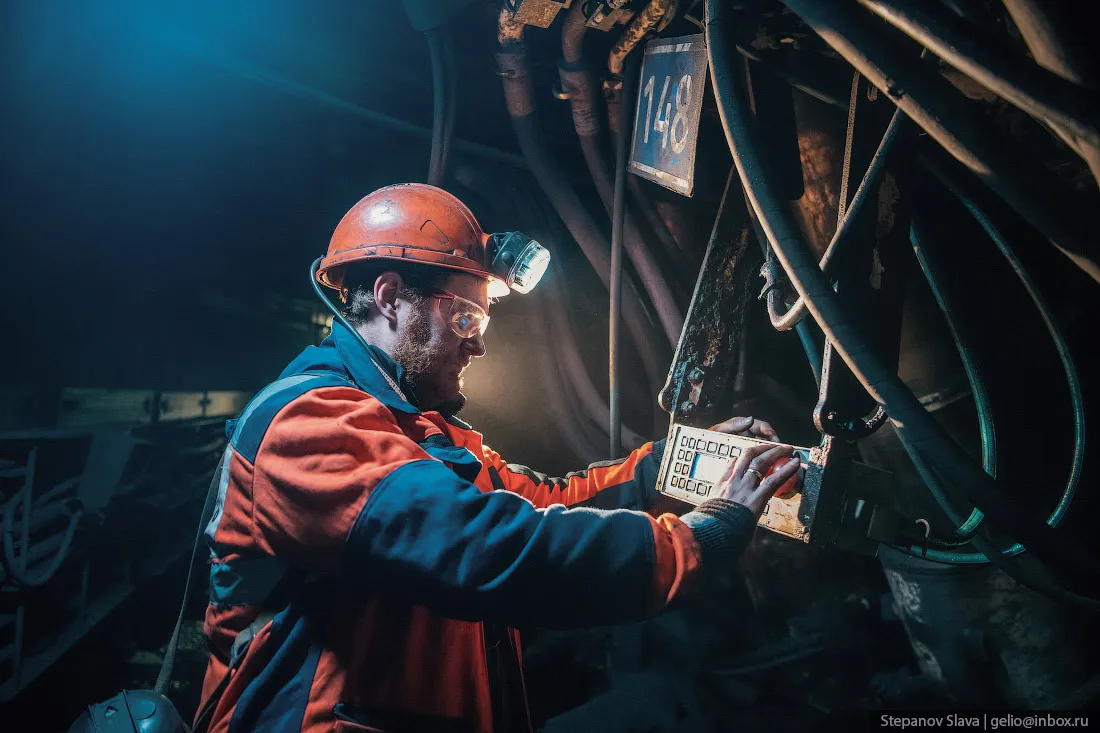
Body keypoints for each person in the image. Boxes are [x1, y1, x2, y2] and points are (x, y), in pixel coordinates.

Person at [195, 183, 801, 733]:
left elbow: (547, 504)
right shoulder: (308, 424)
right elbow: (485, 546)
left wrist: (671, 466)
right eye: (465, 316)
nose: (479, 343)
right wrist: (694, 541)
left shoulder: (423, 435)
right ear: (390, 298)